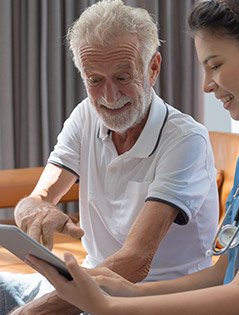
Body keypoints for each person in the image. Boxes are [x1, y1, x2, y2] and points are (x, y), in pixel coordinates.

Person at [25, 0, 239, 314]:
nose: (205, 85)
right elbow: (224, 273)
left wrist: (110, 306)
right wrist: (129, 293)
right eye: (95, 80)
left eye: (215, 65)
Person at [0, 0, 220, 314]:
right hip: (86, 284)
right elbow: (39, 197)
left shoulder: (186, 139)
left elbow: (135, 262)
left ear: (153, 68)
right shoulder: (85, 116)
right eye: (95, 80)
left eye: (122, 77)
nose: (109, 96)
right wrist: (31, 210)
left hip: (148, 301)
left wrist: (35, 311)